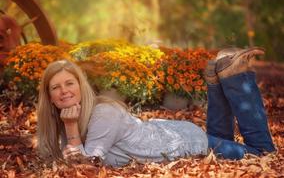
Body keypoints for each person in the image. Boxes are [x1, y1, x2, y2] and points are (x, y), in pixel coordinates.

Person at [37, 47, 276, 167]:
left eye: (69, 83)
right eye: (55, 87)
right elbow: (60, 159)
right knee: (219, 139)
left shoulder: (102, 113)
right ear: (49, 97)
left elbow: (86, 168)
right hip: (178, 134)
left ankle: (235, 76)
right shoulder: (61, 120)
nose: (64, 91)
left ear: (81, 86)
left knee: (263, 153)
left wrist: (70, 127)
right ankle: (218, 76)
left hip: (185, 145)